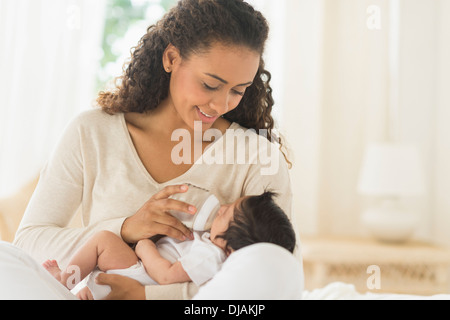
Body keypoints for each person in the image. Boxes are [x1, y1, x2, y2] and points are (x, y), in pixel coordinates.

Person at [12, 0, 299, 300]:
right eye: (210, 84)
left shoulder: (256, 158)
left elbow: (277, 283)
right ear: (172, 58)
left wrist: (151, 297)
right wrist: (125, 228)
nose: (222, 104)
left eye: (238, 90)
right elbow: (26, 246)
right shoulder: (92, 134)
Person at [42, 191, 296, 300]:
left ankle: (62, 284)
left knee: (103, 241)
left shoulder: (210, 256)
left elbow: (165, 276)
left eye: (228, 213)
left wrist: (144, 247)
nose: (223, 207)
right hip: (139, 274)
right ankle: (74, 285)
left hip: (144, 277)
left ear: (232, 245)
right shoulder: (210, 244)